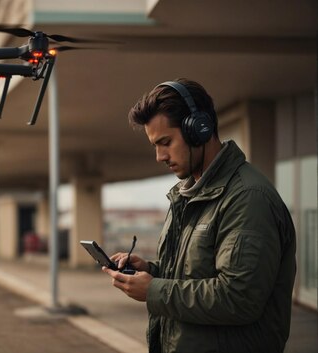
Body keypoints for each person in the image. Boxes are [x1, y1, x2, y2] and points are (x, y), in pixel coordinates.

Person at [103, 78, 296, 353]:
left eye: (166, 142)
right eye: (155, 145)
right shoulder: (188, 195)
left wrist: (154, 291)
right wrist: (151, 271)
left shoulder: (248, 198)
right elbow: (195, 274)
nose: (159, 156)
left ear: (199, 130)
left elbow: (238, 298)